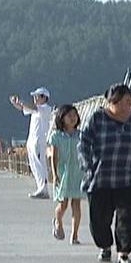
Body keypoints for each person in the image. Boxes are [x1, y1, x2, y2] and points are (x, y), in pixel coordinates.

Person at [78, 83, 131, 263]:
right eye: (126, 101)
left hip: (129, 178)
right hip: (101, 178)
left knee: (127, 217)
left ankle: (124, 252)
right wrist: (88, 166)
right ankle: (105, 246)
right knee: (100, 219)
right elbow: (83, 144)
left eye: (130, 101)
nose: (130, 105)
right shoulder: (97, 119)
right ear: (114, 102)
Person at [48, 104, 86, 245]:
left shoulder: (81, 135)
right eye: (69, 115)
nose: (72, 118)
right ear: (61, 118)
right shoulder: (56, 136)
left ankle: (74, 235)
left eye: (74, 115)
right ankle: (58, 221)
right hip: (63, 172)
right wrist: (54, 173)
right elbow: (54, 156)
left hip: (78, 172)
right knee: (63, 204)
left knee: (76, 203)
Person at [9, 86, 53, 198]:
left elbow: (30, 106)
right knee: (33, 165)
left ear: (44, 98)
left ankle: (44, 189)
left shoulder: (45, 108)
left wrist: (21, 101)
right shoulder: (35, 110)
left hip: (39, 141)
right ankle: (40, 188)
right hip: (32, 140)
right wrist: (15, 102)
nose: (35, 98)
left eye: (37, 96)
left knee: (40, 164)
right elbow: (22, 108)